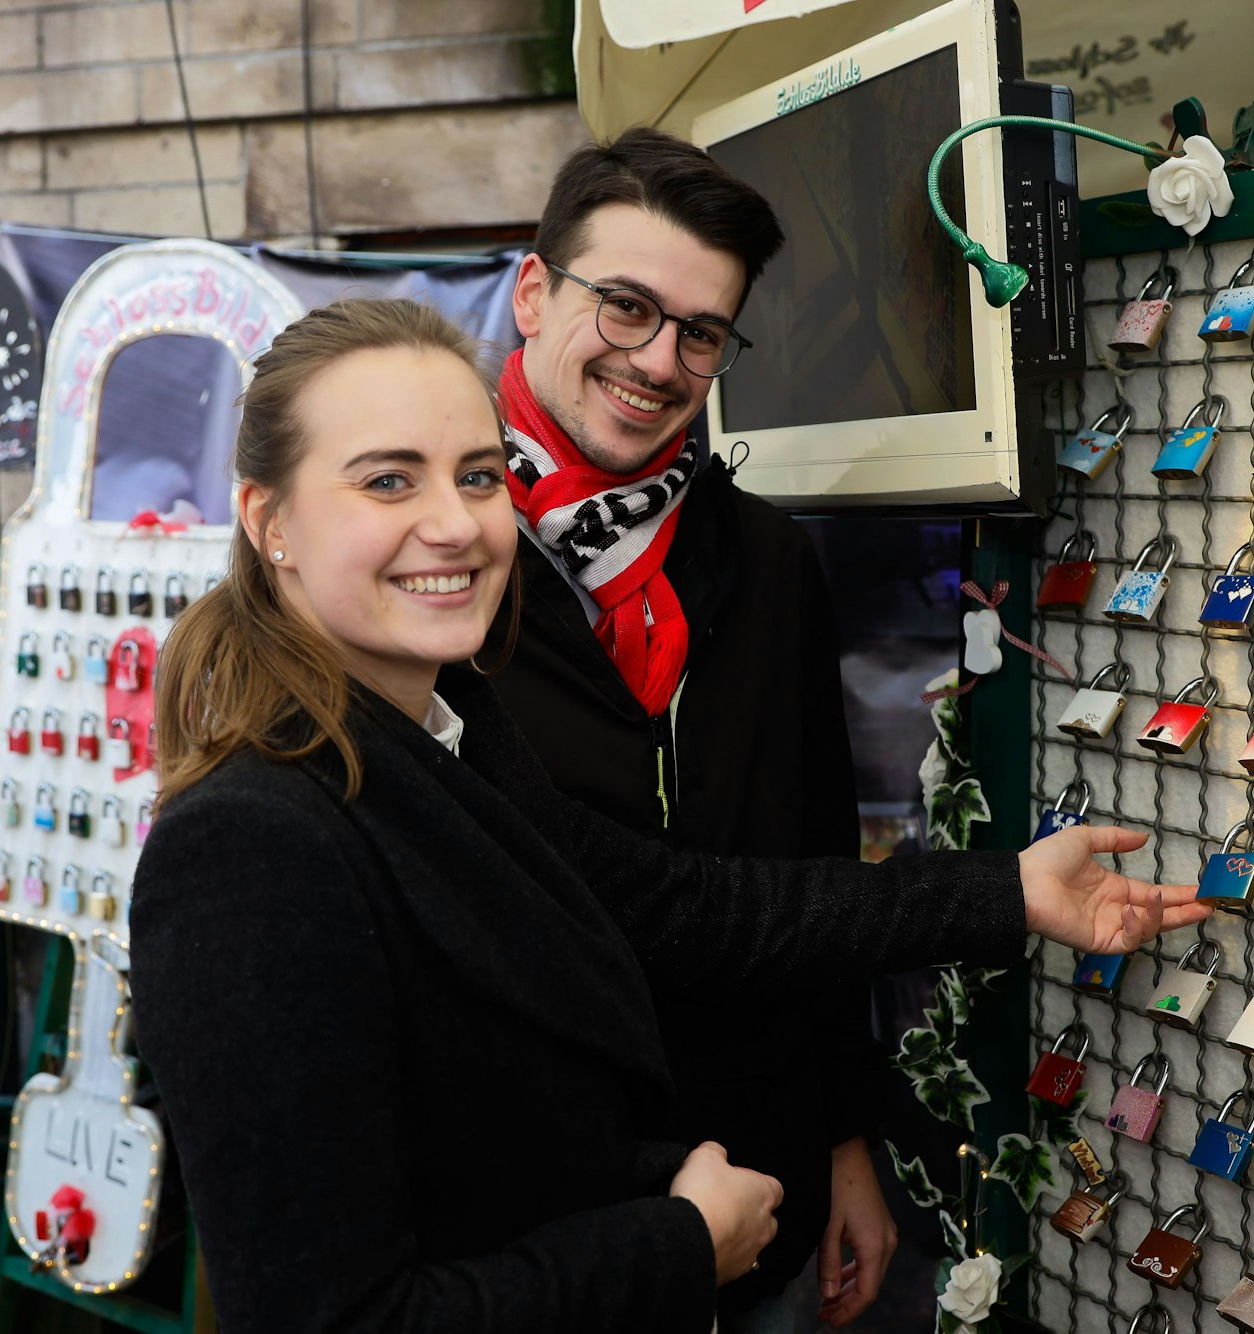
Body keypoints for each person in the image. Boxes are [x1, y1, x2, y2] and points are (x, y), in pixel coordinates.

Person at [130, 296, 1210, 1334]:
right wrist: (679, 1241)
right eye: (386, 481)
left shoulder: (454, 731)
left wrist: (1006, 888)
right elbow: (333, 1315)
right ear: (268, 519)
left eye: (476, 474)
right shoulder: (250, 845)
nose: (455, 524)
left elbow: (689, 907)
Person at [484, 130, 892, 1330]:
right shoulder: (435, 553)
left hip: (754, 1183)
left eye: (700, 332)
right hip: (525, 1211)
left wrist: (845, 1142)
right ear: (532, 291)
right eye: (624, 306)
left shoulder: (765, 559)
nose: (658, 361)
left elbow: (813, 863)